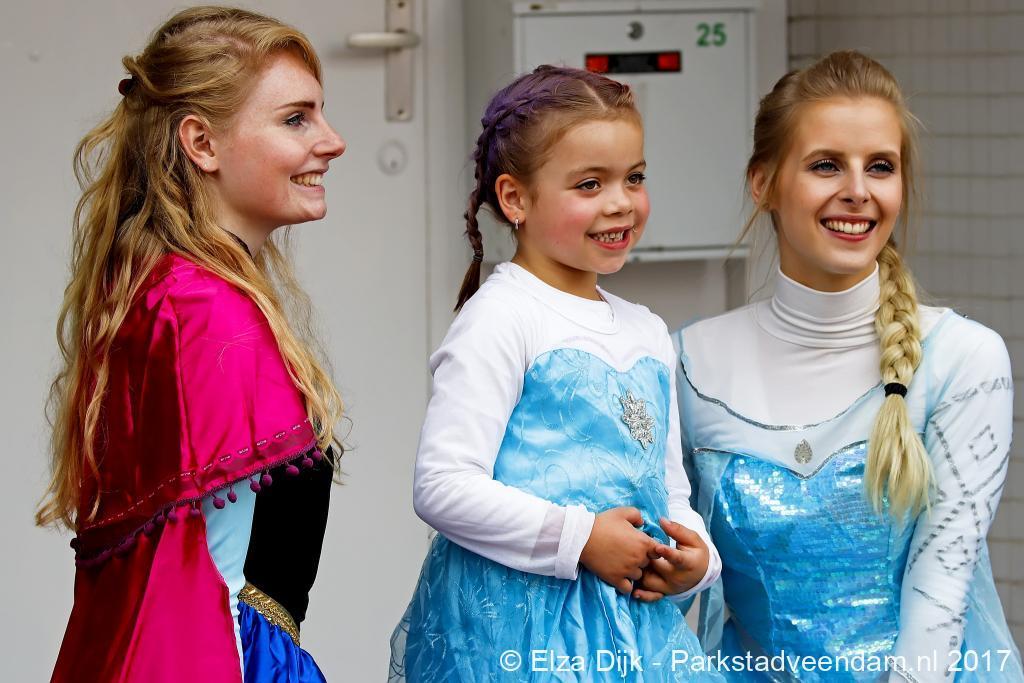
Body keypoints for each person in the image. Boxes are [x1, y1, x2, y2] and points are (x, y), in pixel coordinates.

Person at [673, 50, 1022, 682]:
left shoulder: (964, 359)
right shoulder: (688, 363)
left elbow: (941, 594)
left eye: (880, 166)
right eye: (826, 165)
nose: (858, 191)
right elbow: (667, 593)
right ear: (763, 183)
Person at [38, 7, 346, 681]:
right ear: (201, 143)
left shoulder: (168, 291)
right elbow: (188, 573)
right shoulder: (205, 310)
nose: (333, 141)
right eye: (296, 119)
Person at [389, 65, 723, 682]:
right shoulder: (503, 317)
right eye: (590, 184)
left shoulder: (648, 332)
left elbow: (669, 488)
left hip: (634, 636)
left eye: (634, 178)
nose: (620, 202)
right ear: (515, 199)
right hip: (518, 635)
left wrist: (697, 559)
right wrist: (581, 538)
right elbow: (442, 484)